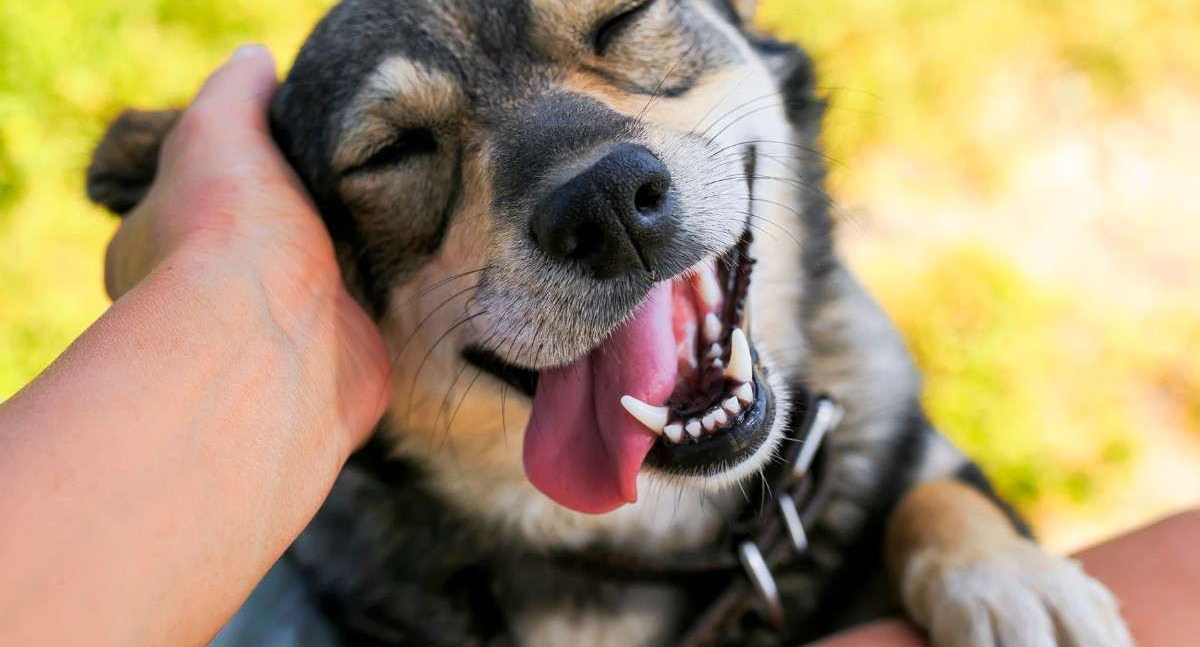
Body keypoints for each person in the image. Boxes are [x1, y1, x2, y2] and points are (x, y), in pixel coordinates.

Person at [0, 46, 1194, 646]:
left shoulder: (853, 380)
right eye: (399, 149)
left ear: (749, 31)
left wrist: (947, 532)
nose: (596, 178)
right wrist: (230, 277)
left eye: (621, 28)